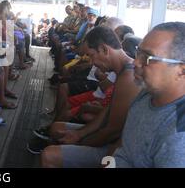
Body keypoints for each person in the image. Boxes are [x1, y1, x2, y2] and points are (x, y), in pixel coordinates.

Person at [38, 26, 141, 167]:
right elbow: (107, 113)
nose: (92, 62)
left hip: (117, 151)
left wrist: (79, 142)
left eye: (91, 55)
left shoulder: (128, 77)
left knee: (49, 155)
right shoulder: (122, 72)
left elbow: (111, 131)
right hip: (110, 139)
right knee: (56, 128)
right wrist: (78, 134)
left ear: (105, 50)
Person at [112, 22, 185, 168]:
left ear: (181, 70)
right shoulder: (147, 94)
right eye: (138, 53)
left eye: (148, 58)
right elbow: (125, 145)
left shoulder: (179, 135)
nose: (136, 62)